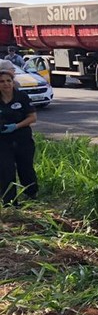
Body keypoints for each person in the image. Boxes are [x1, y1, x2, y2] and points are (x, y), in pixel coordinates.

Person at [0, 59, 38, 205]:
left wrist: (16, 126)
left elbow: (32, 117)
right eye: (2, 81)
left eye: (8, 81)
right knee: (6, 170)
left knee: (26, 169)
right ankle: (9, 202)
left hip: (22, 140)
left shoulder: (21, 97)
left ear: (12, 82)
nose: (6, 84)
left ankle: (31, 194)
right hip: (3, 142)